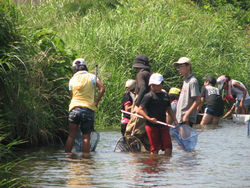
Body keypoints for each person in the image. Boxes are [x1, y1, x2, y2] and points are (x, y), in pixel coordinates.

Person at [65, 58, 105, 153]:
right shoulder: (91, 76)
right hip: (87, 109)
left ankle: (67, 158)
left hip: (74, 109)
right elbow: (102, 89)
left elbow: (73, 95)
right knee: (86, 137)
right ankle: (86, 161)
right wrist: (96, 101)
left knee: (71, 136)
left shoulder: (72, 80)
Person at [138, 73, 178, 155]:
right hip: (151, 126)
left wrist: (175, 120)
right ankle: (153, 166)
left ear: (162, 84)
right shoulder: (148, 96)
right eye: (153, 85)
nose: (155, 87)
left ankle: (165, 166)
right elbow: (140, 110)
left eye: (157, 85)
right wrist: (149, 119)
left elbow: (169, 108)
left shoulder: (166, 95)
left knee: (168, 147)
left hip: (163, 124)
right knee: (154, 148)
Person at [124, 55, 152, 151]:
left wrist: (137, 104)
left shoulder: (141, 74)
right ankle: (147, 154)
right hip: (148, 103)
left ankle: (133, 154)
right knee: (144, 132)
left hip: (140, 101)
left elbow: (143, 87)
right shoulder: (149, 74)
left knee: (132, 131)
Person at [173, 57, 201, 127]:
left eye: (182, 66)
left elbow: (198, 100)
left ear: (188, 66)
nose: (180, 69)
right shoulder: (185, 80)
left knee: (185, 138)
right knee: (182, 138)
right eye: (178, 67)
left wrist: (187, 115)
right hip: (181, 117)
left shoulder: (192, 81)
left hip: (186, 118)